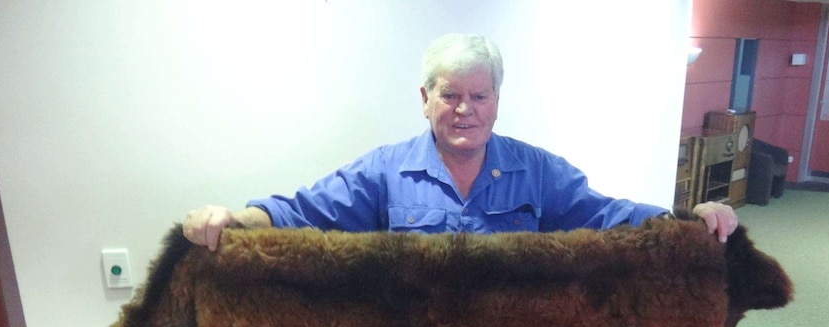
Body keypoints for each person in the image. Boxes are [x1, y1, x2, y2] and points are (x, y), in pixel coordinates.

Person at [184, 33, 737, 251]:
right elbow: (302, 212)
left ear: (498, 99)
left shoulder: (538, 172)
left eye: (480, 96)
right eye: (450, 95)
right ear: (425, 97)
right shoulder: (384, 171)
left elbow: (610, 215)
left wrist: (692, 220)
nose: (465, 110)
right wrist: (231, 220)